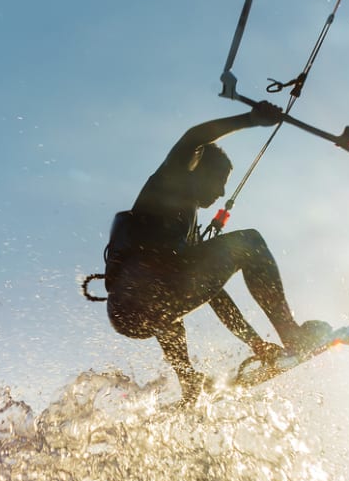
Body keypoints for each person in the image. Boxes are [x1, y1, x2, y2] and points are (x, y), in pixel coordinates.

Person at [101, 100, 329, 402]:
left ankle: (188, 381)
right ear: (197, 169)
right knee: (250, 242)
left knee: (168, 315)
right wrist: (251, 119)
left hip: (131, 311)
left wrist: (255, 343)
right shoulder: (170, 181)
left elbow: (214, 295)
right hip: (143, 292)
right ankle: (291, 333)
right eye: (220, 181)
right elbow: (195, 137)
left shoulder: (186, 235)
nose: (222, 192)